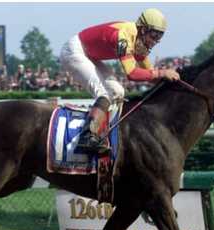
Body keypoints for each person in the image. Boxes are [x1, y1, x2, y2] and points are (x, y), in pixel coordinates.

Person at [60, 8, 180, 153]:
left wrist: (166, 81)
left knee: (118, 91)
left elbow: (150, 73)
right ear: (143, 29)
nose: (155, 41)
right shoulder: (123, 37)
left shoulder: (139, 41)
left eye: (159, 36)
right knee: (103, 94)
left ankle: (106, 133)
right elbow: (132, 74)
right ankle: (87, 137)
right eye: (154, 35)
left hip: (89, 55)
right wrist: (162, 73)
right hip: (74, 51)